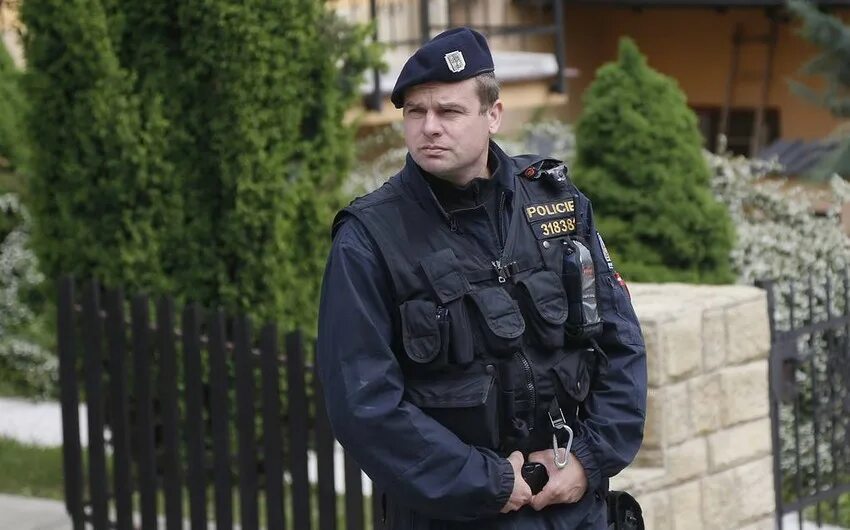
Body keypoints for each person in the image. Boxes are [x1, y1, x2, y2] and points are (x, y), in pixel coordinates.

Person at [317, 26, 647, 529]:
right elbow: (363, 405)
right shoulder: (369, 238)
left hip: (574, 508)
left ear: (493, 115)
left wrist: (589, 458)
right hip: (456, 514)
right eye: (415, 112)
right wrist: (488, 482)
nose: (429, 127)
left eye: (449, 111)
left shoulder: (555, 203)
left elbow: (620, 342)